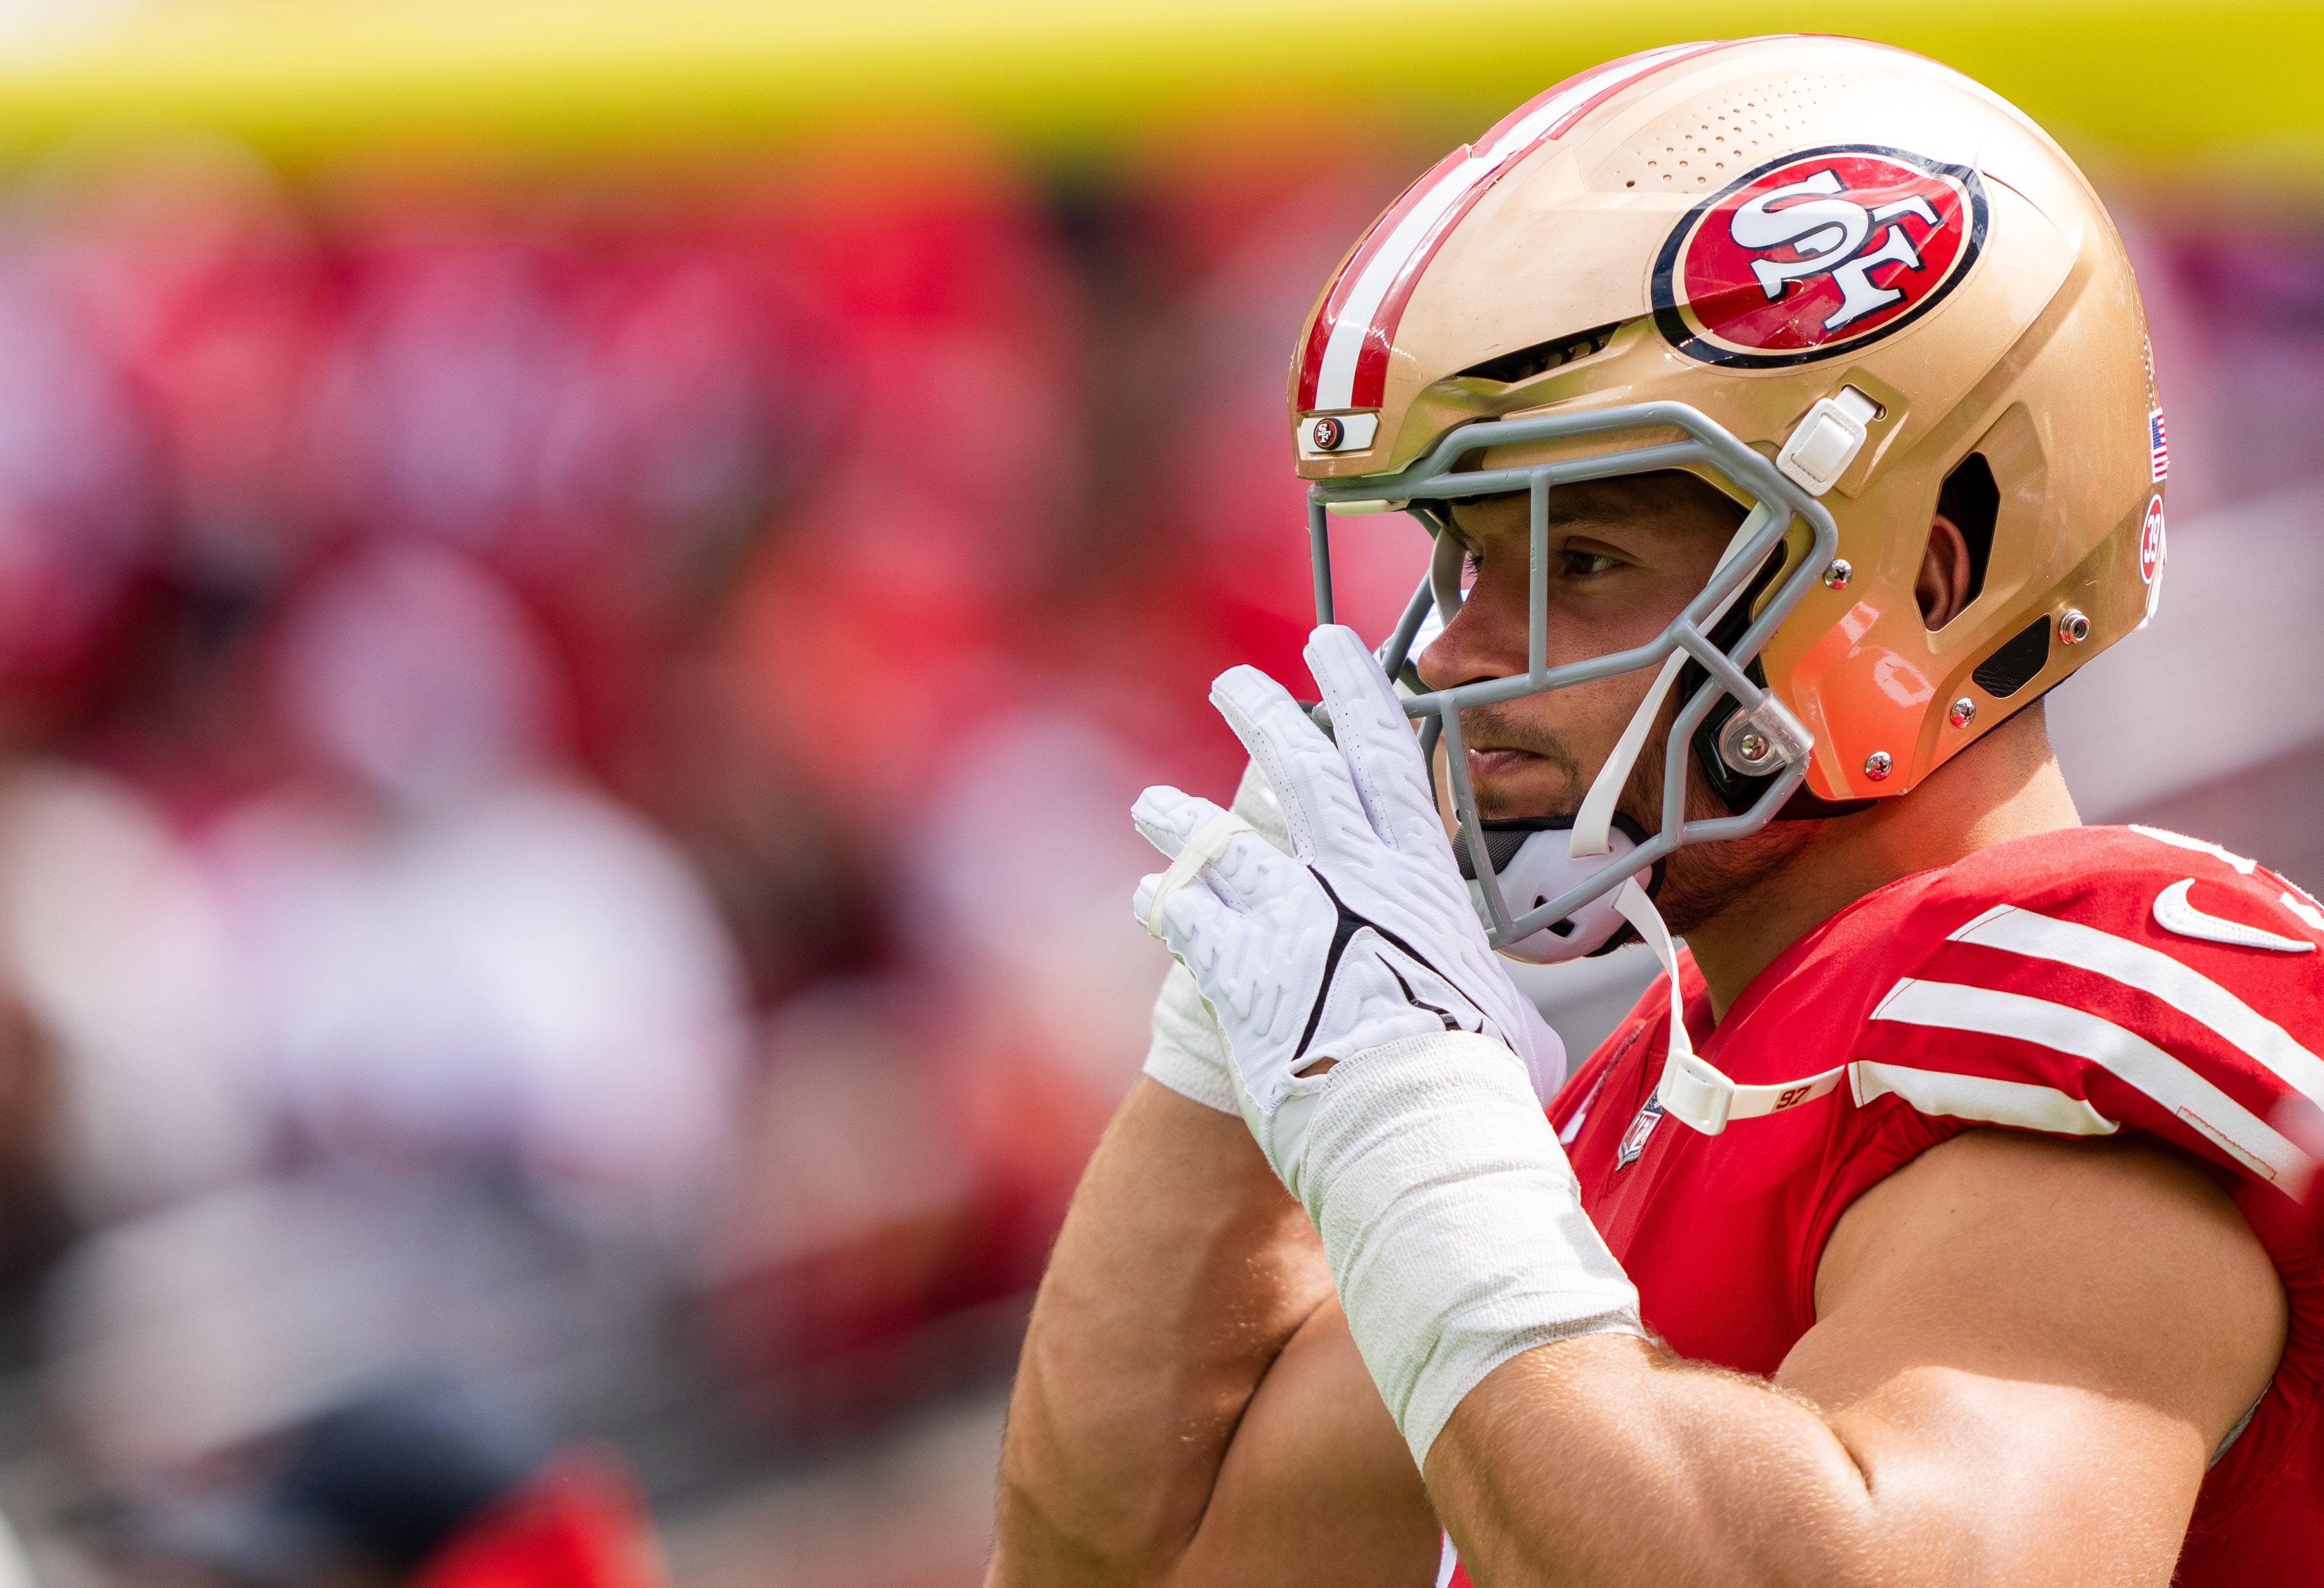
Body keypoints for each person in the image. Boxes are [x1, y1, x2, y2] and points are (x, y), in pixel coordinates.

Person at [989, 35, 2324, 1586]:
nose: (1459, 660)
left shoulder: (2076, 1015)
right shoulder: (1667, 1084)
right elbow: (1134, 1563)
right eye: (1468, 564)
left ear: (1931, 574)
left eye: (1584, 565)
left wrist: (1416, 1132)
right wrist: (1236, 1053)